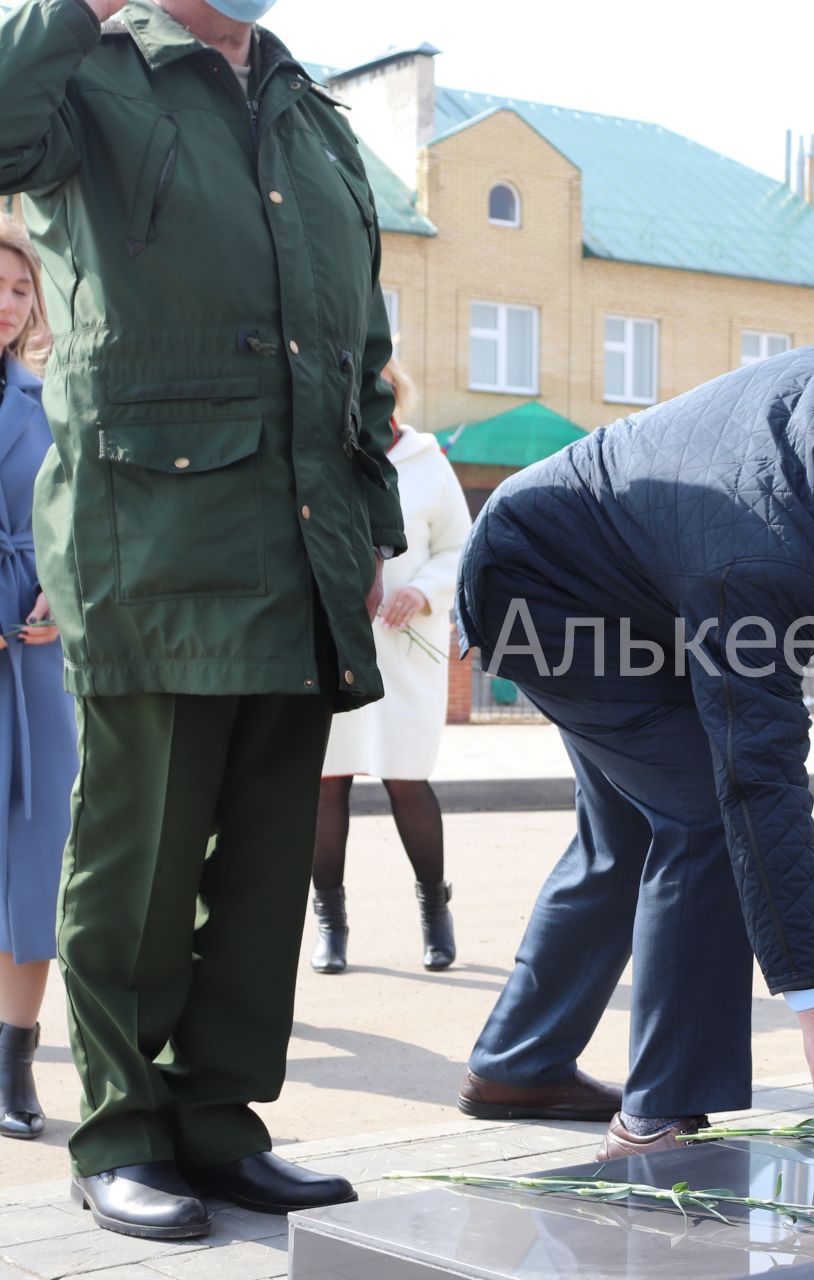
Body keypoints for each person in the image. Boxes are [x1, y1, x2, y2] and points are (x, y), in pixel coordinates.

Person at [0, 0, 405, 1238]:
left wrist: (373, 520)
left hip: (301, 540)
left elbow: (362, 341)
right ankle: (121, 1131)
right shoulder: (93, 73)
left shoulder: (310, 111)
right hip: (156, 537)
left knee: (269, 859)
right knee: (139, 859)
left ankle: (220, 1119)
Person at [455, 349, 814, 1157]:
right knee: (706, 811)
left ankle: (518, 1065)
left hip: (641, 581)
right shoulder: (766, 555)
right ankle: (660, 1115)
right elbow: (760, 779)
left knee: (629, 829)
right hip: (547, 595)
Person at [311, 361, 472, 974]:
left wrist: (425, 589)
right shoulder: (323, 457)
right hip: (334, 647)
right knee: (327, 782)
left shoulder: (430, 462)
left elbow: (462, 546)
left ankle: (435, 912)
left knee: (407, 779)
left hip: (406, 651)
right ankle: (331, 924)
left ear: (394, 392)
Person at [0, 216, 77, 1143]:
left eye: (23, 289)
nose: (11, 302)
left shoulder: (51, 398)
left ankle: (13, 1059)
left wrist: (63, 585)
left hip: (35, 657)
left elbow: (81, 510)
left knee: (35, 863)